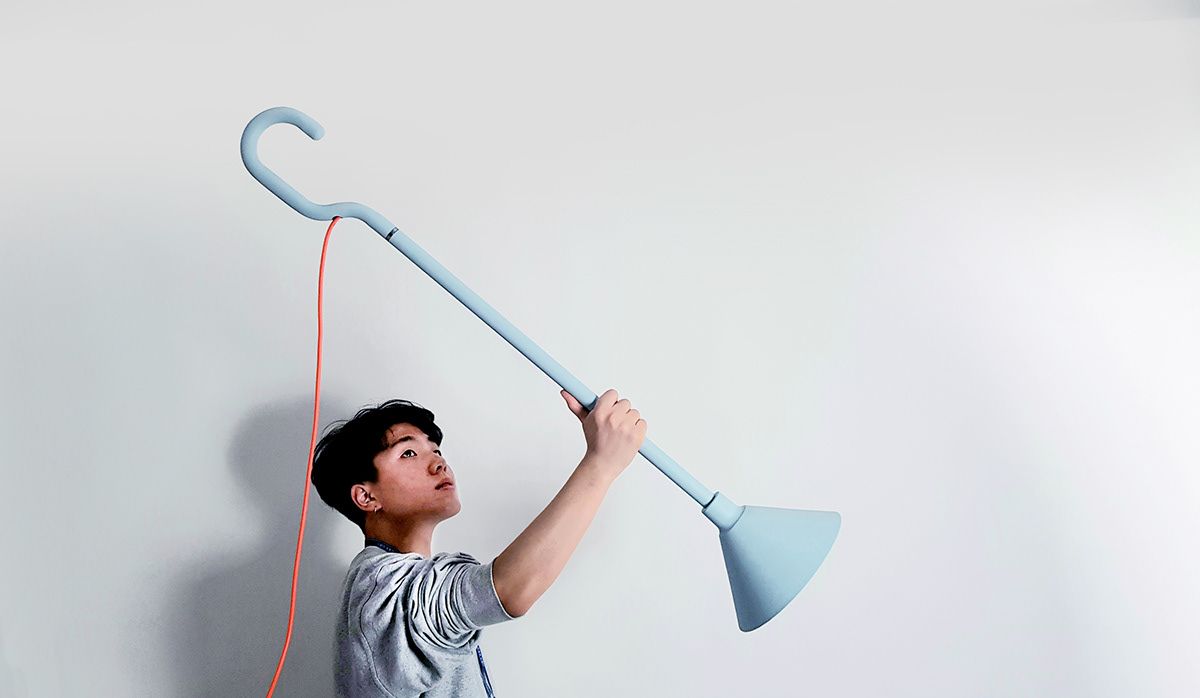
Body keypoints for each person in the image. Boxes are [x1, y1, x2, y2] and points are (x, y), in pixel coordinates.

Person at [310, 388, 646, 698]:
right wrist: (601, 464)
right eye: (408, 452)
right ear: (366, 496)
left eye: (436, 449)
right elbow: (510, 589)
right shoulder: (381, 588)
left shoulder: (398, 581)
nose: (439, 463)